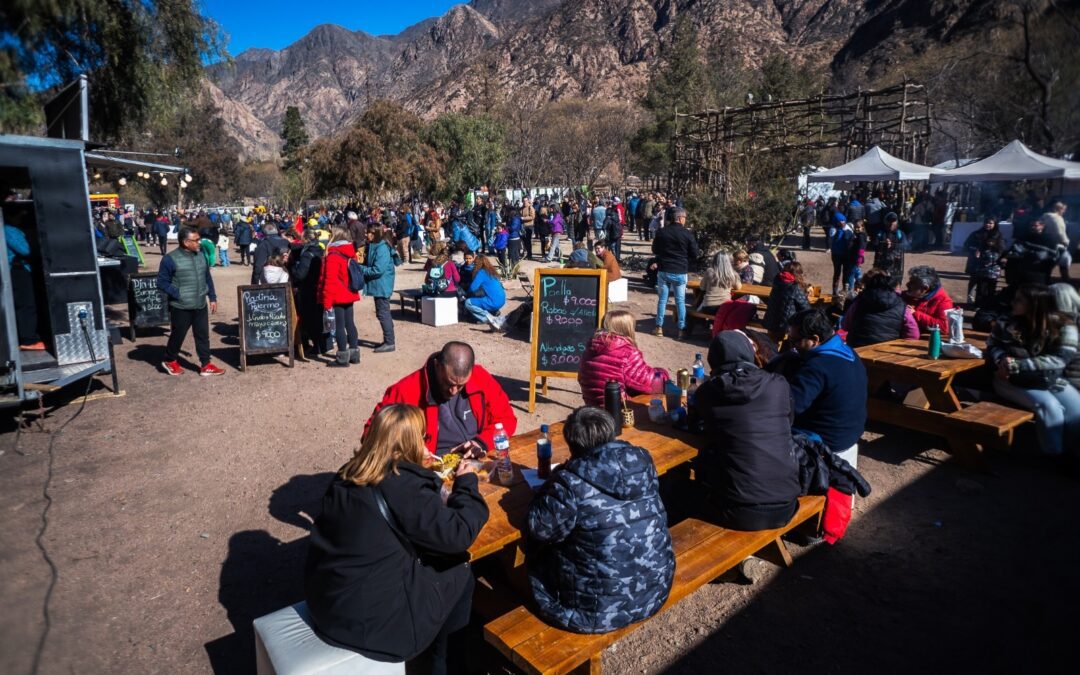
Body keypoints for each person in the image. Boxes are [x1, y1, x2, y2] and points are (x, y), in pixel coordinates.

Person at [305, 404, 487, 672]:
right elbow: (458, 533)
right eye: (423, 438)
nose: (427, 446)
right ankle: (443, 664)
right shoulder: (403, 485)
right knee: (461, 571)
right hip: (375, 629)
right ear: (411, 442)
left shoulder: (349, 472)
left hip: (327, 604)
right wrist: (467, 482)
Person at [526, 407, 674, 634]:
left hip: (595, 613)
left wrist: (554, 481)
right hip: (655, 591)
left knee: (535, 556)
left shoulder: (570, 483)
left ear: (572, 444)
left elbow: (539, 528)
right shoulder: (642, 461)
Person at [693, 331, 801, 530]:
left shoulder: (708, 392)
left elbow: (697, 427)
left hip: (739, 511)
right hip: (788, 503)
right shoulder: (778, 383)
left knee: (681, 491)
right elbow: (788, 422)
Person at [364, 341, 517, 456]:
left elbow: (507, 419)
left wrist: (481, 442)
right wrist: (413, 451)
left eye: (461, 386)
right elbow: (371, 435)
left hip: (477, 458)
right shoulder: (406, 389)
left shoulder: (479, 377)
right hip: (431, 468)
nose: (453, 391)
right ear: (437, 365)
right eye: (448, 383)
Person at [987, 284, 1080, 456]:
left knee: (1076, 410)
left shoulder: (1064, 326)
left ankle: (1073, 452)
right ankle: (1055, 455)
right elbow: (992, 344)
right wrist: (1001, 360)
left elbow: (1059, 359)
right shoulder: (1006, 321)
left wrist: (1018, 364)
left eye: (1019, 300)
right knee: (1049, 406)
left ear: (1035, 304)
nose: (1013, 303)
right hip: (1010, 379)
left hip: (1049, 378)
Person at [783, 309, 868, 465]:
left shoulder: (817, 367)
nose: (793, 347)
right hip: (850, 432)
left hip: (827, 439)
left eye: (795, 341)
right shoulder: (848, 352)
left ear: (815, 339)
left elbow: (790, 407)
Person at [156, 227, 224, 377]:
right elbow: (161, 282)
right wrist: (178, 293)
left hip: (200, 303)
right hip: (181, 306)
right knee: (178, 335)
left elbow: (207, 277)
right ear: (186, 242)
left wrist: (212, 297)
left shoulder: (201, 256)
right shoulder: (170, 259)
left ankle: (206, 364)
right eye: (196, 240)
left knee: (202, 335)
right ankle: (169, 360)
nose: (200, 242)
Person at [577, 310, 670, 406]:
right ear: (627, 328)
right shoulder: (626, 352)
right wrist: (662, 373)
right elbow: (650, 383)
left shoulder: (590, 348)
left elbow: (581, 379)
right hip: (618, 409)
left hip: (592, 407)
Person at [650, 207, 700, 338]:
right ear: (680, 218)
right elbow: (695, 253)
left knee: (662, 300)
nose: (685, 220)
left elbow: (654, 249)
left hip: (664, 269)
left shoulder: (662, 232)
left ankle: (659, 327)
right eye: (684, 218)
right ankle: (681, 330)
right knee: (680, 301)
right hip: (680, 270)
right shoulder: (687, 234)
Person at [842, 269, 920, 348]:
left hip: (858, 348)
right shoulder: (901, 305)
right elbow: (913, 334)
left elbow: (845, 325)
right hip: (887, 351)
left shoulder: (859, 301)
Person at [319, 228, 361, 367]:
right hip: (349, 292)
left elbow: (329, 280)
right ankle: (354, 354)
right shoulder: (350, 252)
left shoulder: (333, 255)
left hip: (337, 294)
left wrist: (326, 302)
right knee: (350, 323)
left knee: (339, 327)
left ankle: (343, 357)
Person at [4, 220, 45, 350]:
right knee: (26, 305)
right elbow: (26, 250)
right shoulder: (9, 229)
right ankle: (29, 341)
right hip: (18, 271)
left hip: (10, 271)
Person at [358, 223, 397, 354]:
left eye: (368, 232)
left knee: (383, 313)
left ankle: (389, 342)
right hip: (380, 285)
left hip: (382, 285)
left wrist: (360, 269)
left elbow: (378, 270)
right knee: (382, 313)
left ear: (375, 234)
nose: (366, 234)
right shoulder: (374, 246)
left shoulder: (381, 249)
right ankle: (388, 340)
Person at [292, 229, 326, 356]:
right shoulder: (320, 249)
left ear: (305, 239)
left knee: (310, 319)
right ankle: (322, 345)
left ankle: (316, 346)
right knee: (318, 318)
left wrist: (293, 267)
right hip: (318, 287)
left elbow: (300, 275)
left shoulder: (307, 254)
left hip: (308, 289)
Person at [762, 261, 812, 344]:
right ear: (798, 274)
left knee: (772, 343)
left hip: (770, 321)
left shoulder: (777, 281)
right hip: (785, 326)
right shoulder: (794, 288)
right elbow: (806, 308)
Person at [902, 265, 954, 337]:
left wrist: (915, 314)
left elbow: (944, 327)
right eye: (910, 281)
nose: (907, 285)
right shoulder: (913, 294)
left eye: (912, 283)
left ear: (925, 288)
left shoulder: (943, 301)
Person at [963, 217, 1004, 303]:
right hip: (976, 262)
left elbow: (1001, 249)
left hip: (991, 265)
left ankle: (985, 302)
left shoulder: (998, 235)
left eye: (990, 223)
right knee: (973, 281)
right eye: (986, 222)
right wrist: (975, 250)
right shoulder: (976, 234)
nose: (988, 225)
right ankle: (970, 300)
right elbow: (966, 246)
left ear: (995, 224)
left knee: (987, 284)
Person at [463, 255, 506, 330]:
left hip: (493, 302)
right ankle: (494, 312)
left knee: (468, 302)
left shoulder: (481, 272)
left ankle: (487, 318)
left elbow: (472, 288)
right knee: (482, 297)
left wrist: (466, 293)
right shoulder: (491, 271)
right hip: (502, 300)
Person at [1042, 201, 1071, 280]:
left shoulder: (1044, 216)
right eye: (1063, 209)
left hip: (1044, 244)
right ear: (1059, 209)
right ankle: (1066, 280)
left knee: (1047, 266)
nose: (1064, 211)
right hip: (1056, 246)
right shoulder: (1057, 218)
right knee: (1066, 259)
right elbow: (1060, 233)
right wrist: (1066, 242)